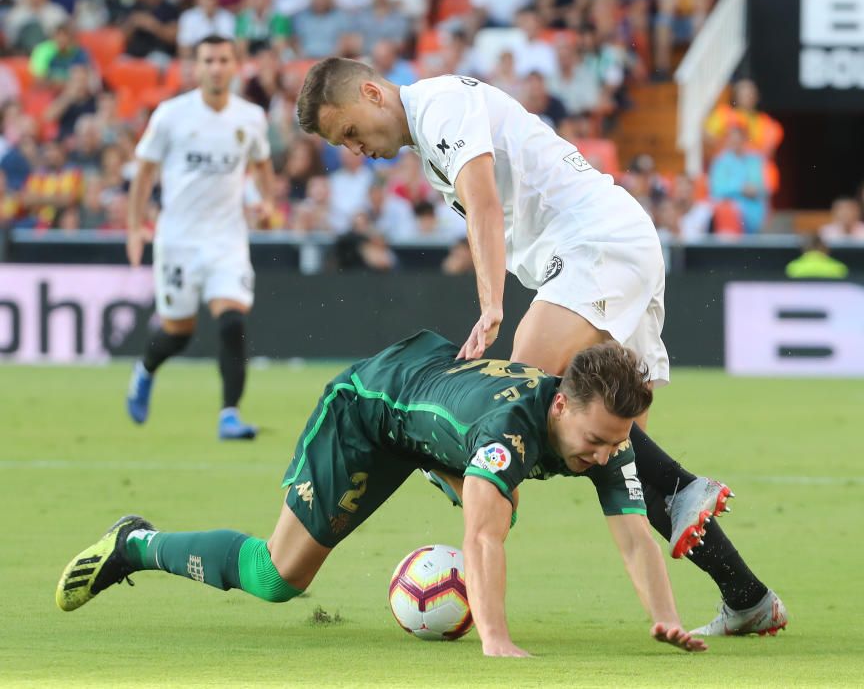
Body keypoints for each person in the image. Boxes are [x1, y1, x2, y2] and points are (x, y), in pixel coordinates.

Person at [295, 58, 787, 635]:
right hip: (608, 245)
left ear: (373, 93)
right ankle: (747, 596)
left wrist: (492, 305)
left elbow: (481, 202)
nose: (355, 149)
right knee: (608, 445)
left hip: (594, 243)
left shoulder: (438, 107)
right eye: (342, 145)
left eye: (350, 131)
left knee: (519, 397)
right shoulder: (431, 134)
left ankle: (675, 487)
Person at [57, 332, 708, 657]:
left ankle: (446, 466)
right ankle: (135, 543)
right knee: (277, 577)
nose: (604, 453)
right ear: (561, 402)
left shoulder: (603, 433)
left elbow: (631, 532)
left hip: (433, 396)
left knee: (500, 496)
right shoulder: (506, 433)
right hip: (368, 410)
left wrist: (667, 618)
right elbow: (480, 538)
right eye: (595, 438)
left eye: (614, 441)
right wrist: (496, 638)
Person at [125, 35, 275, 440]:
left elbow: (262, 167)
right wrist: (135, 225)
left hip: (227, 239)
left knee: (231, 321)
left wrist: (265, 202)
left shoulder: (250, 117)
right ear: (195, 66)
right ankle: (145, 369)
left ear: (235, 65)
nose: (216, 67)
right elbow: (143, 173)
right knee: (178, 332)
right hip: (178, 241)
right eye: (208, 60)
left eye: (224, 59)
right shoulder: (171, 115)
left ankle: (229, 414)